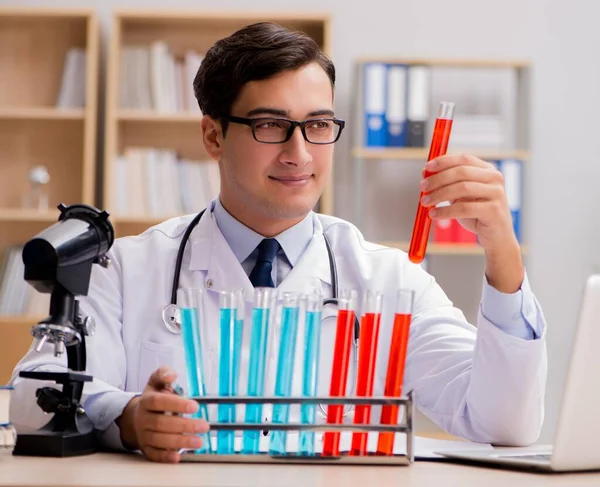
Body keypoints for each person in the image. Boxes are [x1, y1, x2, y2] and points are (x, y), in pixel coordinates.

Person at [9, 21, 547, 464]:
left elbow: (505, 423)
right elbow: (34, 396)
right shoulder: (127, 266)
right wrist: (127, 417)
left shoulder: (388, 279)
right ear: (214, 136)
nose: (300, 153)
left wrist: (504, 256)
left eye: (317, 125)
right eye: (271, 125)